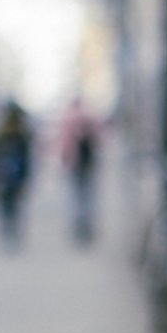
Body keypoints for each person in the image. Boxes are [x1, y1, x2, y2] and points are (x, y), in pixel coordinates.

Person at [54, 97, 99, 244]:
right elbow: (99, 139)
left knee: (75, 194)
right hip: (88, 162)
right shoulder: (90, 116)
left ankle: (78, 224)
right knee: (88, 194)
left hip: (74, 162)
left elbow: (63, 142)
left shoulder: (67, 117)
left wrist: (65, 160)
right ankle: (87, 224)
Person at [0, 100, 32, 248]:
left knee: (5, 204)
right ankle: (13, 231)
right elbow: (26, 158)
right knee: (15, 204)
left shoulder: (0, 132)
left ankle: (7, 231)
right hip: (17, 175)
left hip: (3, 174)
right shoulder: (22, 133)